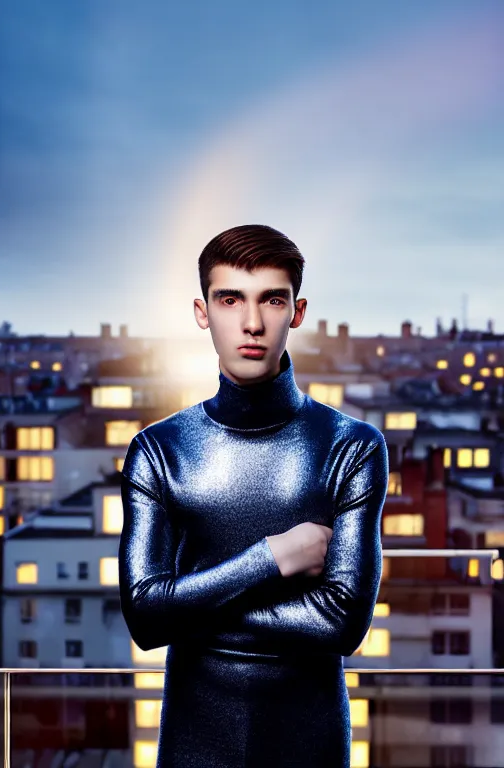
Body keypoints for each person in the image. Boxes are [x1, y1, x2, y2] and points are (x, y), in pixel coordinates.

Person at [119, 224, 389, 767]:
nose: (251, 323)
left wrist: (187, 607)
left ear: (297, 311)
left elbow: (342, 624)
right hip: (193, 743)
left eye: (272, 299)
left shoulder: (352, 447)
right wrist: (273, 558)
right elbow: (145, 618)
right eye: (230, 299)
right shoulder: (157, 451)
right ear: (203, 312)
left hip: (309, 744)